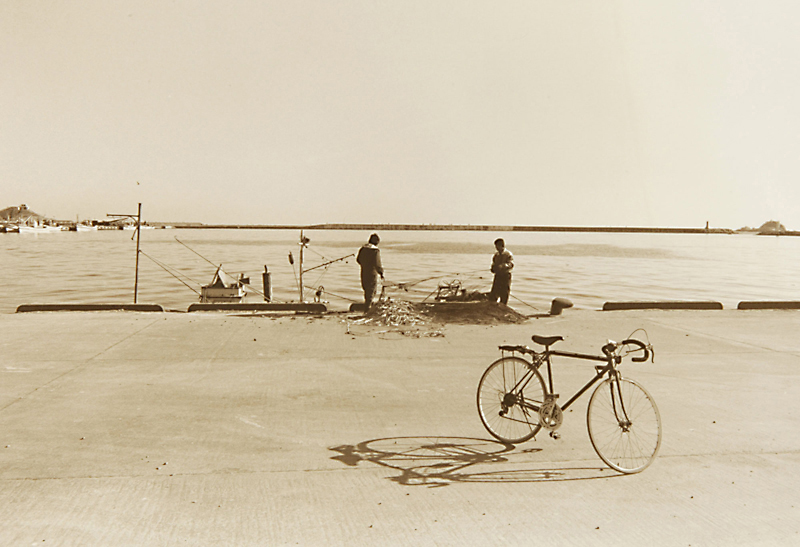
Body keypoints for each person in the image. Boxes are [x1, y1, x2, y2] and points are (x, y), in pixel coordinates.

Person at [356, 233, 384, 308]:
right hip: (372, 274)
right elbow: (377, 264)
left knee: (366, 289)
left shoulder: (363, 249)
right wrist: (381, 273)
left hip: (364, 272)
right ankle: (368, 308)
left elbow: (358, 260)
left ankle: (367, 305)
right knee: (371, 291)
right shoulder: (375, 251)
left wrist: (364, 265)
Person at [489, 238, 513, 305]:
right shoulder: (496, 255)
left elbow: (511, 264)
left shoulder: (508, 254)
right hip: (498, 276)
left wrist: (503, 266)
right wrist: (493, 268)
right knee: (494, 294)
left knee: (504, 294)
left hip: (505, 276)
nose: (496, 248)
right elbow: (493, 264)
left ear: (502, 245)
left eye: (497, 246)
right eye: (496, 246)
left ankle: (503, 307)